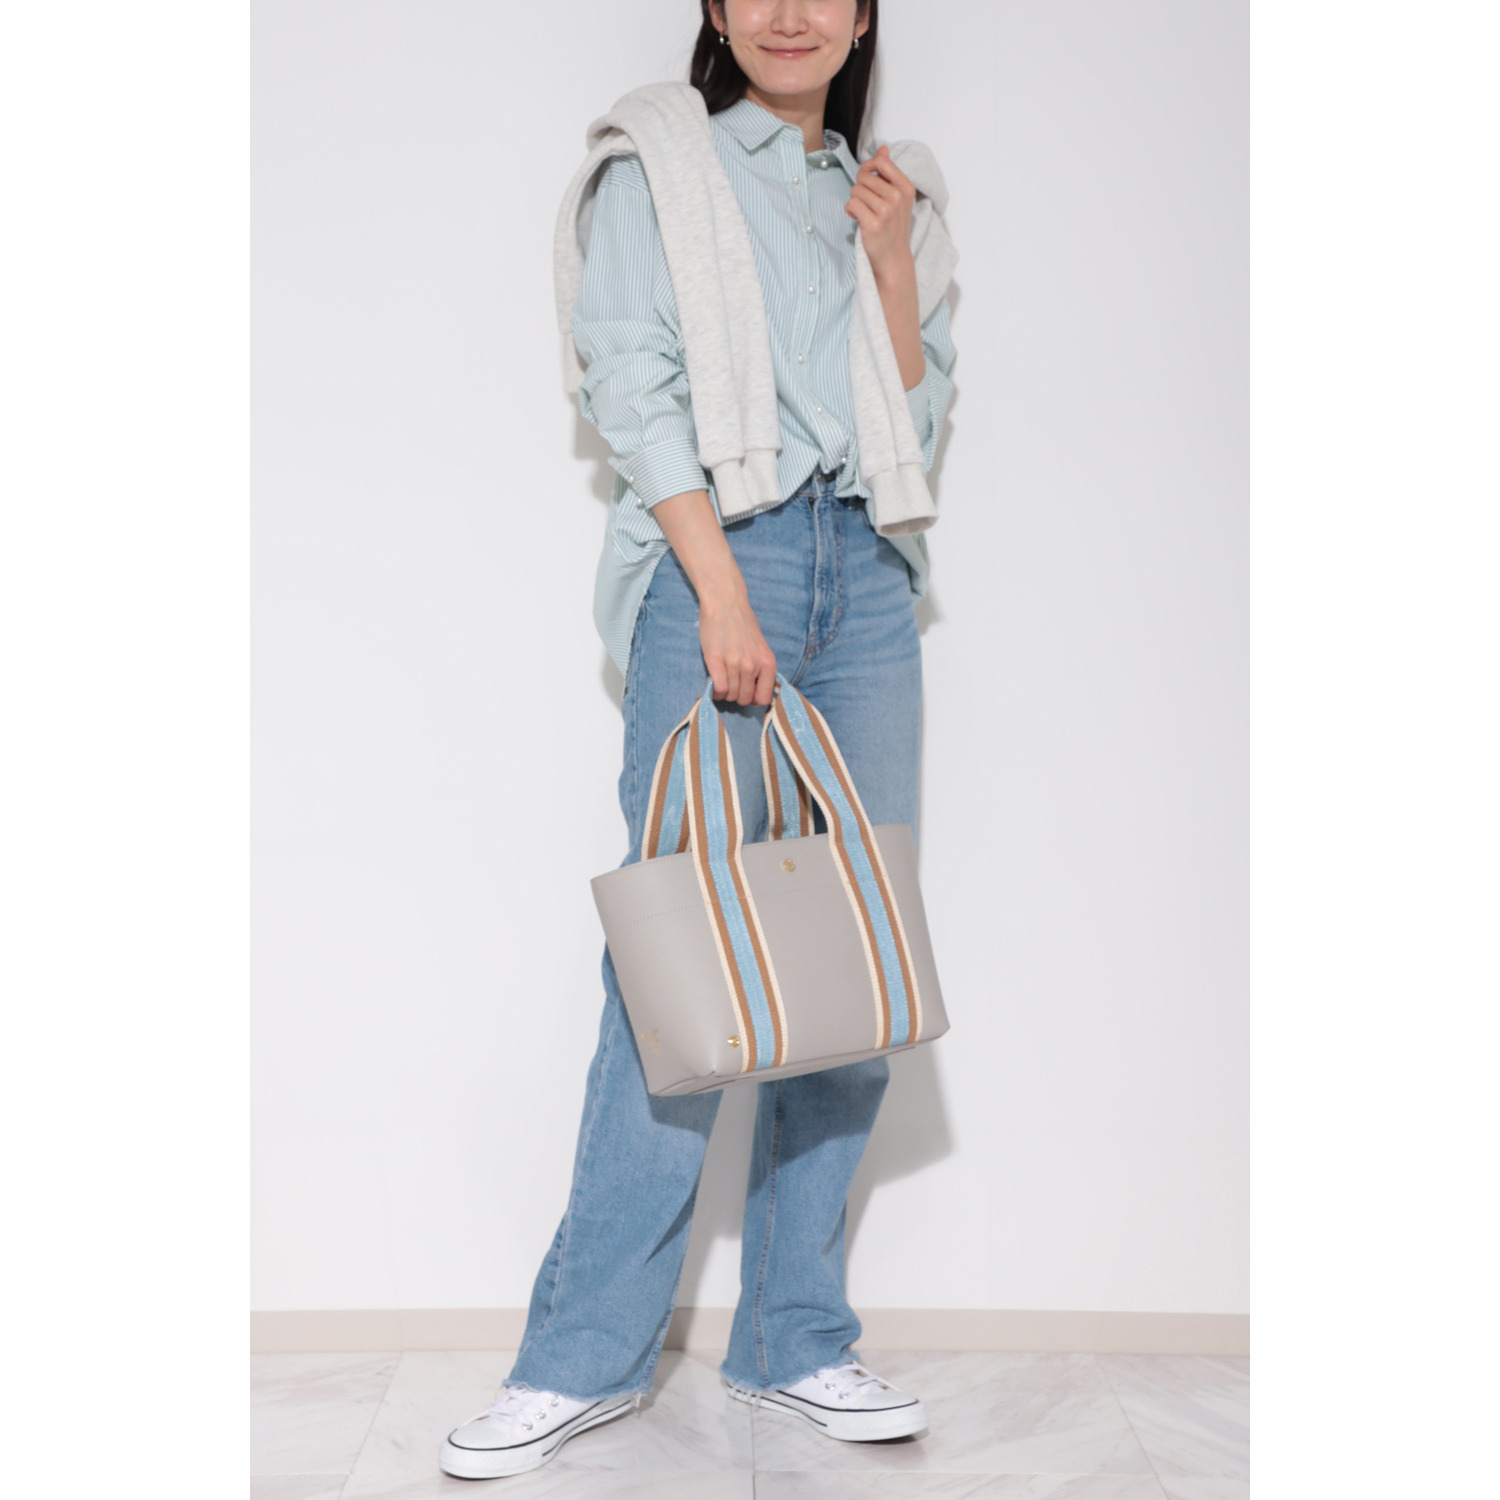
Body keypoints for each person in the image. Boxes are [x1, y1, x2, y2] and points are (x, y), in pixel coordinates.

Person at [441, 0, 956, 1479]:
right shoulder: (657, 162)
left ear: (863, 15)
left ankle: (797, 1339)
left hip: (866, 575)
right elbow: (631, 382)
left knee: (850, 957)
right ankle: (578, 1360)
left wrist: (892, 263)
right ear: (719, 10)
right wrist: (722, 594)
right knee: (676, 974)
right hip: (719, 557)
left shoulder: (889, 189)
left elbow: (915, 426)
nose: (791, 13)